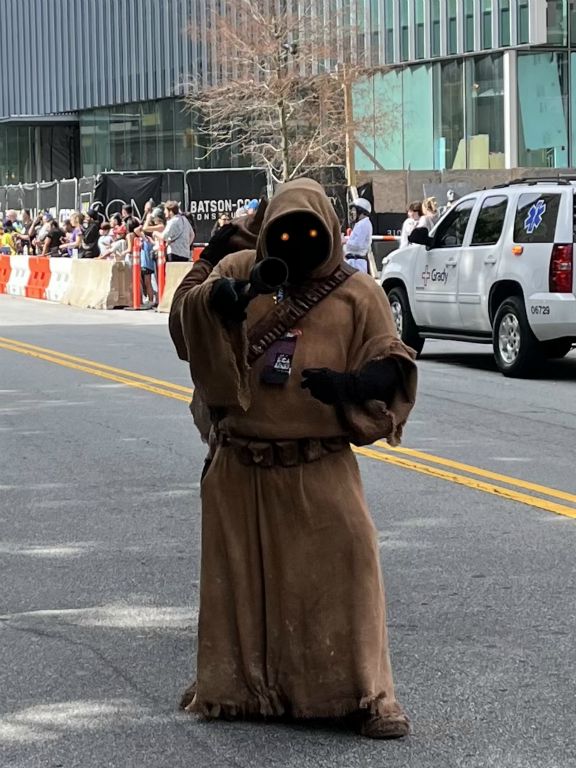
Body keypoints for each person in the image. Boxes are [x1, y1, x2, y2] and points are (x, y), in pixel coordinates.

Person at [169, 178, 417, 740]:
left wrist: (352, 385)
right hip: (240, 463)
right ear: (268, 233)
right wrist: (219, 298)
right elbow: (184, 324)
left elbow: (391, 358)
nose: (296, 243)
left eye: (308, 232)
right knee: (242, 584)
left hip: (319, 461)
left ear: (329, 230)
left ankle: (369, 695)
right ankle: (240, 688)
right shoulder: (240, 269)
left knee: (351, 568)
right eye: (284, 232)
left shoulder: (358, 292)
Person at [344, 197, 373, 273]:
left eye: (354, 210)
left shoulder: (364, 224)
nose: (352, 213)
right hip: (354, 261)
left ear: (361, 212)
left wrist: (345, 242)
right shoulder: (360, 224)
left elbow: (357, 245)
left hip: (357, 263)